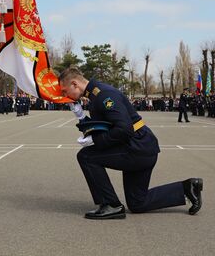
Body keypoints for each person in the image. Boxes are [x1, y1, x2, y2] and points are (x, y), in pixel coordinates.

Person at [59, 67, 203, 220]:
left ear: (74, 84)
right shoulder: (96, 93)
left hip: (137, 147)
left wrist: (96, 141)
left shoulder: (103, 95)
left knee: (86, 156)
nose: (64, 95)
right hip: (141, 146)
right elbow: (105, 126)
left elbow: (124, 128)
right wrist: (81, 117)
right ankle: (187, 188)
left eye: (64, 90)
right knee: (137, 203)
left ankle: (111, 204)